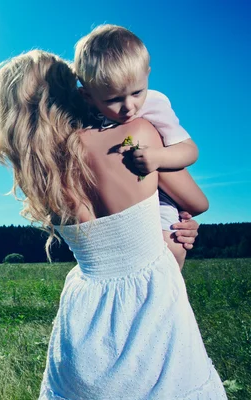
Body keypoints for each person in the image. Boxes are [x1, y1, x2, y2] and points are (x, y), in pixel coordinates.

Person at [0, 50, 228, 400]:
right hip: (154, 308)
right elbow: (197, 203)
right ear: (74, 90)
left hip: (84, 317)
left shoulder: (43, 177)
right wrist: (173, 226)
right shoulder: (134, 135)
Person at [74, 24, 208, 269]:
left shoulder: (155, 104)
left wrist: (158, 157)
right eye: (113, 100)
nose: (129, 107)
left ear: (147, 74)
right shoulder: (83, 118)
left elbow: (190, 150)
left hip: (160, 196)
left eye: (137, 92)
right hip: (117, 215)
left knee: (170, 245)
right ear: (87, 96)